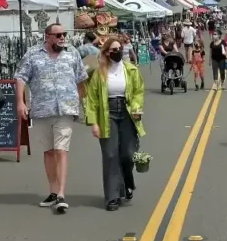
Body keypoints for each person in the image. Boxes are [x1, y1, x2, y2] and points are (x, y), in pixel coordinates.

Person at [16, 23, 87, 214]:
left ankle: (62, 194)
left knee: (61, 151)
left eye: (64, 34)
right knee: (48, 152)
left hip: (65, 110)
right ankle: (53, 191)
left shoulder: (72, 53)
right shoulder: (33, 54)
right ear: (47, 37)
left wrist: (83, 105)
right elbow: (21, 77)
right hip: (41, 110)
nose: (63, 38)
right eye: (58, 35)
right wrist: (21, 103)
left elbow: (81, 80)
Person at [85, 37, 146, 211]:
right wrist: (94, 123)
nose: (118, 52)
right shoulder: (99, 73)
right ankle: (112, 197)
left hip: (127, 113)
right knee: (111, 155)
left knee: (127, 154)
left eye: (119, 48)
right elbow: (92, 99)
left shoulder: (131, 70)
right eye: (113, 49)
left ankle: (127, 182)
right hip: (107, 114)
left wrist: (136, 107)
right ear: (106, 53)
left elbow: (138, 92)